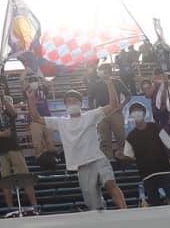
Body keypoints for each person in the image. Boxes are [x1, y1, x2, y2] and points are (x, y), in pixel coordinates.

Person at [48, 80, 125, 211]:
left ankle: (126, 212)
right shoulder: (61, 122)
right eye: (69, 101)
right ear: (66, 105)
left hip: (98, 159)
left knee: (111, 185)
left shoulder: (90, 116)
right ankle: (100, 223)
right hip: (82, 166)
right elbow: (36, 118)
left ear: (80, 103)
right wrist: (31, 99)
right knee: (93, 205)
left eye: (75, 100)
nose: (72, 103)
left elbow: (113, 105)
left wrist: (110, 84)